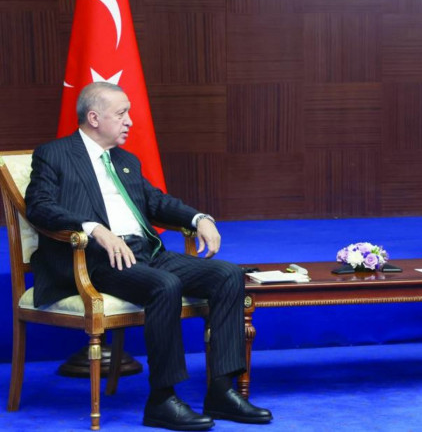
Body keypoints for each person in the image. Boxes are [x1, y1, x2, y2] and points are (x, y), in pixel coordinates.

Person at [25, 82, 272, 430]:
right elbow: (39, 206)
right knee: (164, 285)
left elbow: (156, 202)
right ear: (94, 118)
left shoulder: (125, 160)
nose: (129, 121)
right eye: (121, 114)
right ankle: (162, 400)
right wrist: (94, 229)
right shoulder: (55, 154)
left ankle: (221, 391)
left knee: (228, 275)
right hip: (96, 259)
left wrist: (198, 218)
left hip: (144, 252)